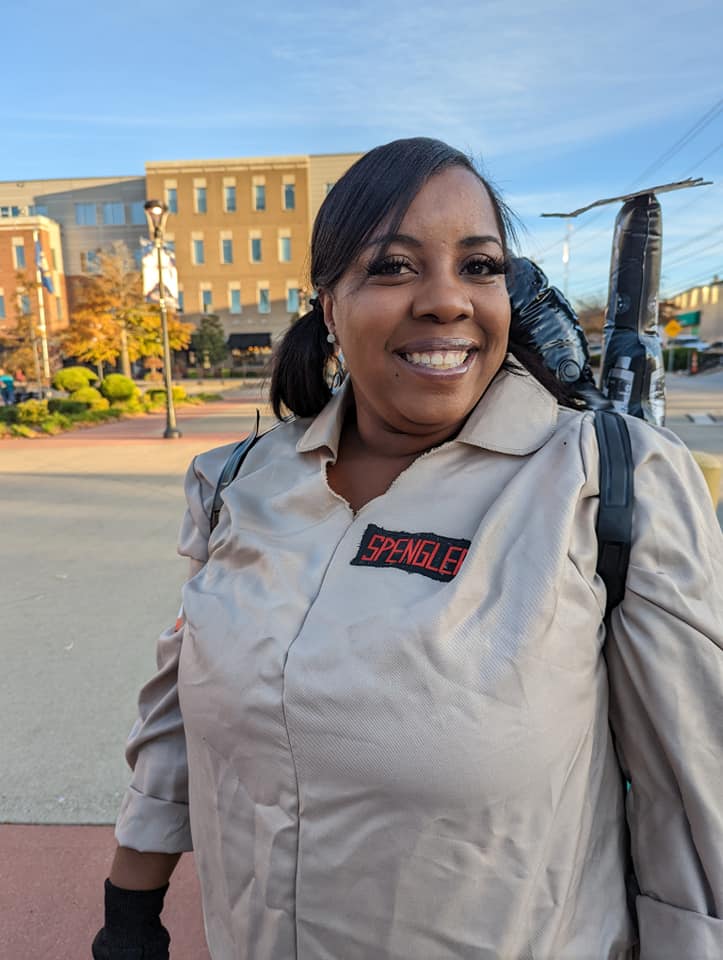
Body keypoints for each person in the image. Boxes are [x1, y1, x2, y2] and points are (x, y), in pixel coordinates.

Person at [94, 138, 723, 960]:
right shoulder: (233, 485)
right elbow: (180, 713)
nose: (445, 301)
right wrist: (128, 916)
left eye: (479, 265)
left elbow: (694, 794)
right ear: (327, 306)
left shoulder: (605, 484)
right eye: (392, 267)